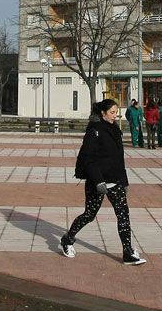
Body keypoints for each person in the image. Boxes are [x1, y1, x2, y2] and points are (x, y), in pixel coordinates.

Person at [59, 98, 146, 266]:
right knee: (89, 215)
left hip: (116, 180)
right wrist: (98, 181)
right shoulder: (94, 131)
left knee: (123, 216)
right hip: (97, 183)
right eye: (112, 113)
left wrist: (124, 180)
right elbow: (88, 158)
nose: (115, 116)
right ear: (103, 113)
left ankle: (127, 252)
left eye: (116, 113)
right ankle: (68, 239)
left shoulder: (115, 130)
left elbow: (119, 158)